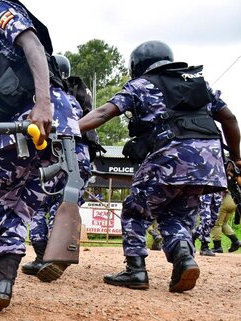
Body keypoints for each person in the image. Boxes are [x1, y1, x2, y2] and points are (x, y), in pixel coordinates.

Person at [0, 0, 81, 312]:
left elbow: (32, 43)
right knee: (21, 206)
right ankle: (3, 278)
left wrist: (42, 104)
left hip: (32, 119)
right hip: (51, 124)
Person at [79, 40, 241, 293]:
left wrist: (69, 129)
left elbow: (103, 113)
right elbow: (229, 119)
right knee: (177, 215)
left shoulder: (140, 85)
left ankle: (136, 270)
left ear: (138, 64)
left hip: (170, 159)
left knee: (135, 211)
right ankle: (184, 258)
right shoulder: (200, 83)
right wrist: (237, 157)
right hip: (208, 164)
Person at [21, 54, 92, 280]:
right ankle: (57, 254)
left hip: (52, 156)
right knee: (66, 204)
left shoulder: (43, 98)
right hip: (80, 158)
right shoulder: (76, 102)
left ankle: (44, 256)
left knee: (39, 208)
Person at [193, 192, 223, 256]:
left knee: (213, 221)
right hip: (205, 194)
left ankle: (194, 235)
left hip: (217, 195)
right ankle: (204, 246)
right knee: (206, 220)